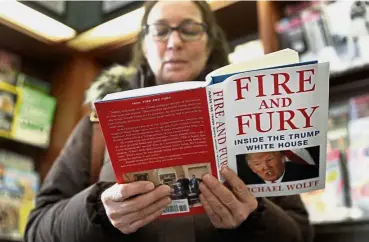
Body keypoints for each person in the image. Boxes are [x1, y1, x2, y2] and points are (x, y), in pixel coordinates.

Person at [24, 1, 314, 242]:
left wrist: (254, 215)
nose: (174, 43)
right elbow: (37, 230)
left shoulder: (253, 115)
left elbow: (299, 233)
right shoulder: (98, 124)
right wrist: (98, 209)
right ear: (144, 45)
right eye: (160, 31)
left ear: (208, 42)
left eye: (189, 30)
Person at [241, 151, 319, 185]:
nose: (266, 167)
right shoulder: (245, 182)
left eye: (269, 159)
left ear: (282, 159)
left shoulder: (308, 172)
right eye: (257, 164)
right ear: (252, 169)